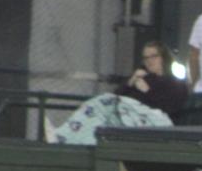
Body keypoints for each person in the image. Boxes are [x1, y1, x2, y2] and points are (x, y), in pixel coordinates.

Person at [48, 41, 185, 145]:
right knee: (99, 107)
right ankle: (63, 136)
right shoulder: (142, 76)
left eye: (153, 56)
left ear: (163, 57)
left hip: (153, 122)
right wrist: (129, 83)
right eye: (146, 57)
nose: (149, 61)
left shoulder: (173, 82)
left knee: (104, 103)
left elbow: (170, 108)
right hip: (126, 116)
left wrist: (147, 91)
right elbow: (118, 95)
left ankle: (62, 136)